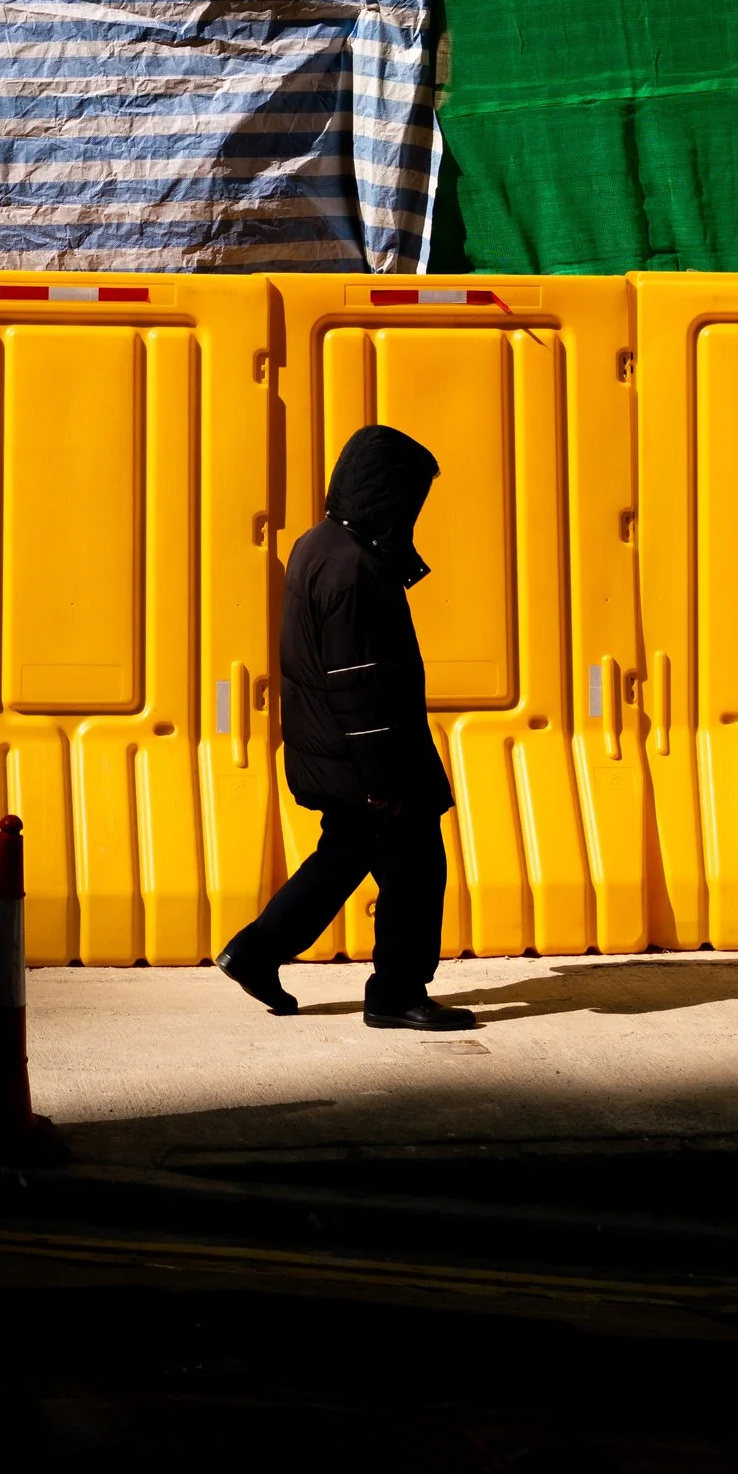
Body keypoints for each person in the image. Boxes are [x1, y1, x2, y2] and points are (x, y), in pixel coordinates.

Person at [216, 422, 476, 1032]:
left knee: (344, 854)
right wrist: (385, 778)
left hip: (337, 751)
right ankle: (396, 993)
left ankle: (255, 952)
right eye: (411, 495)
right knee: (416, 868)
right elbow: (361, 682)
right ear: (386, 492)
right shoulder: (353, 567)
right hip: (367, 755)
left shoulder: (321, 544)